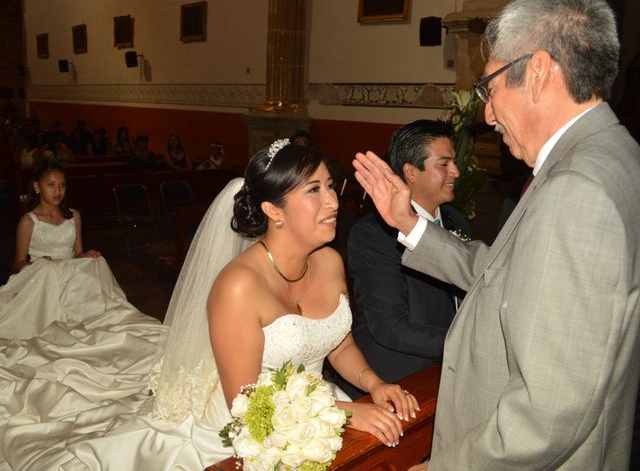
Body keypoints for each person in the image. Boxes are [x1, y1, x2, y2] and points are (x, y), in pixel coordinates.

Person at [0, 141, 419, 469]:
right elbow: (245, 399)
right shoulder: (237, 285)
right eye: (314, 190)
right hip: (247, 418)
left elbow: (339, 344)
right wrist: (346, 414)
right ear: (274, 209)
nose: (333, 201)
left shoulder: (329, 261)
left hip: (315, 403)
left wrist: (373, 385)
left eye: (331, 186)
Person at [353, 0, 640, 469]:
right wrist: (408, 223)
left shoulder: (577, 191)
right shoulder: (615, 156)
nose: (487, 114)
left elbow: (549, 413)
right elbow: (505, 272)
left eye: (490, 87)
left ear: (540, 69)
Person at [343, 120, 471, 400]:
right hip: (402, 378)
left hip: (452, 370)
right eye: (444, 164)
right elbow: (390, 327)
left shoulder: (455, 220)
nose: (456, 172)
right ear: (411, 172)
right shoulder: (374, 234)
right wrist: (467, 342)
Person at [0, 162, 138, 341]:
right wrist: (38, 264)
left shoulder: (73, 216)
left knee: (98, 261)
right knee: (48, 270)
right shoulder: (29, 221)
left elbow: (77, 253)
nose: (57, 191)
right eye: (51, 185)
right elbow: (18, 263)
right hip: (43, 277)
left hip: (69, 273)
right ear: (37, 187)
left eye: (62, 185)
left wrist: (88, 255)